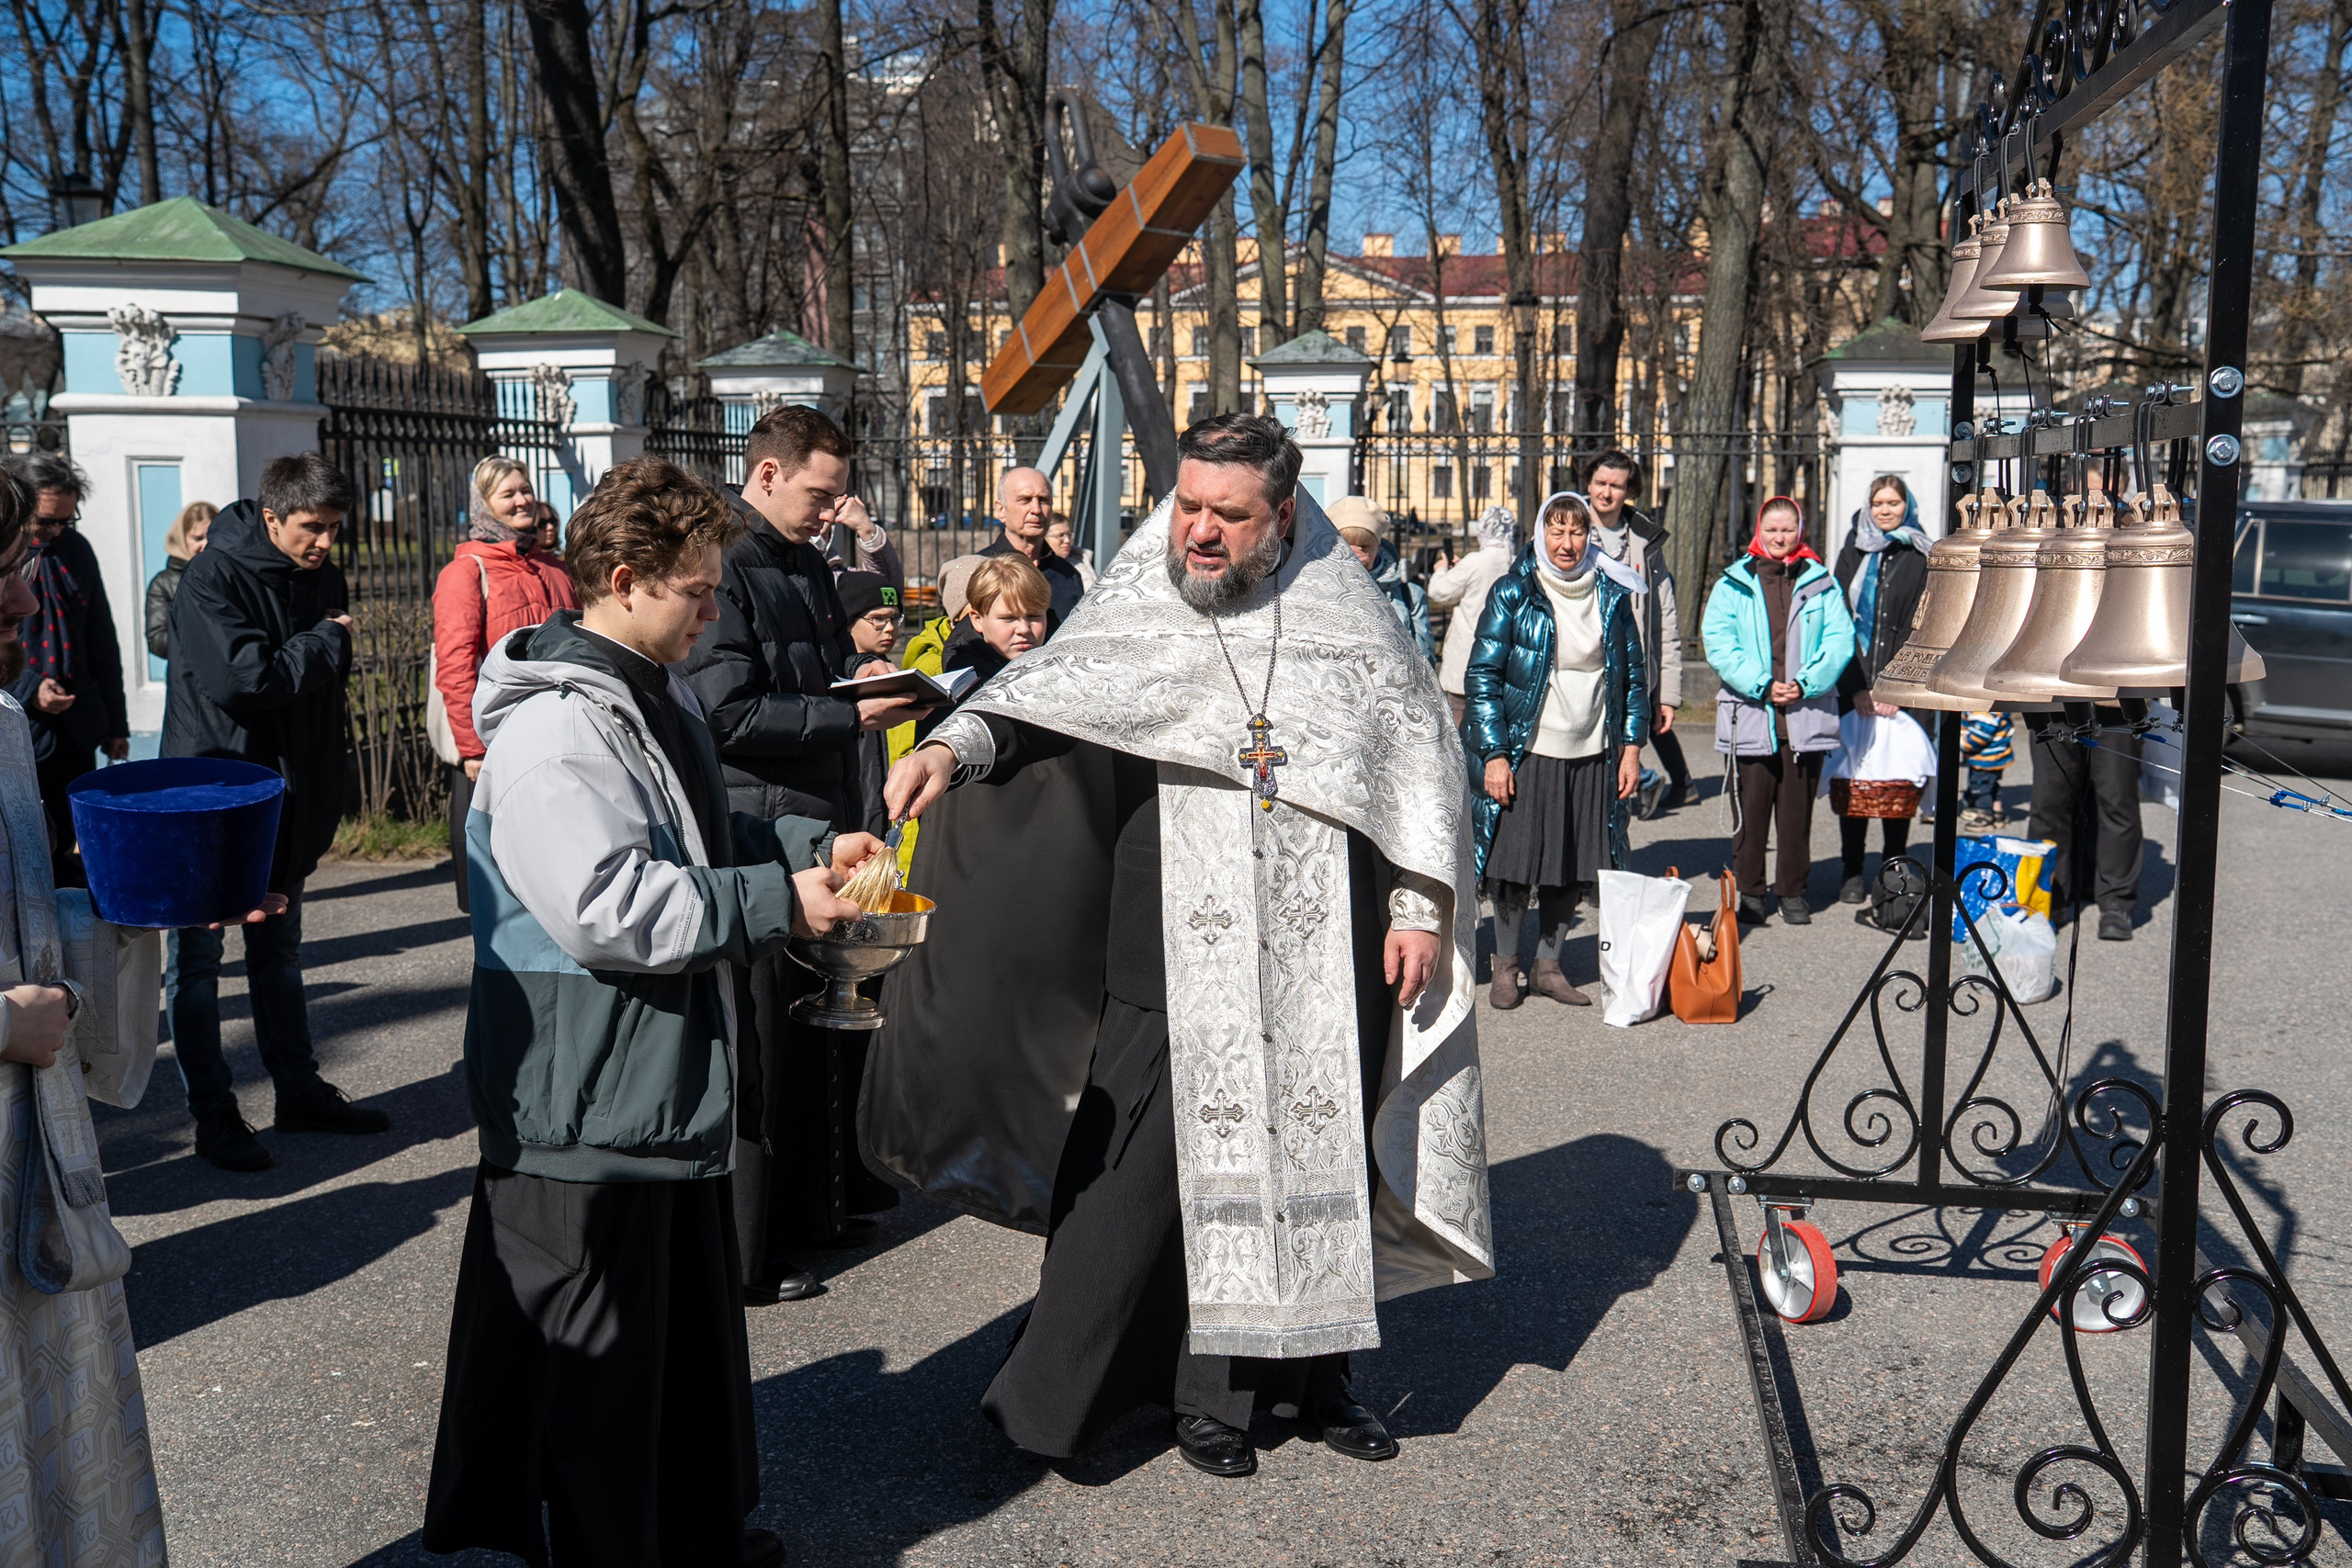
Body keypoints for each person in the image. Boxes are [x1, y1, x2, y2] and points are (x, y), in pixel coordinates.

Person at [868, 413, 1492, 1479]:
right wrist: (955, 745)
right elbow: (1053, 693)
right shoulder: (1145, 594)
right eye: (1187, 506)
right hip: (1173, 929)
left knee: (1316, 1155)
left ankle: (1307, 1381)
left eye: (1227, 515)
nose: (1198, 531)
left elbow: (1413, 761)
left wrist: (1417, 909)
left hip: (1322, 931)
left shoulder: (1345, 610)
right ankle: (1156, 1394)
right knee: (1144, 1175)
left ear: (1282, 515)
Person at [423, 453, 878, 1568]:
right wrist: (778, 901)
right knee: (603, 1378)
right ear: (623, 581)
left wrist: (810, 846)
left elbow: (694, 835)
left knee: (679, 1350)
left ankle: (691, 1535)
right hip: (586, 1094)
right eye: (698, 591)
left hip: (654, 1081)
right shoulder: (556, 732)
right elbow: (608, 908)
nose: (713, 612)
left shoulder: (650, 689)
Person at [679, 403, 910, 1298]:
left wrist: (860, 683)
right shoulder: (727, 561)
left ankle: (819, 1210)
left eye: (837, 496)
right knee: (766, 1049)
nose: (829, 513)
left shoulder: (806, 559)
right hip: (761, 828)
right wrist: (849, 715)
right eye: (819, 494)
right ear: (767, 473)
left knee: (821, 1032)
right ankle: (750, 1249)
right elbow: (727, 714)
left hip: (818, 816)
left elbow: (806, 681)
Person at [0, 466, 173, 1568]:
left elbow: (26, 927)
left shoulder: (3, 724)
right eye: (5, 570)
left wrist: (133, 909)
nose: (27, 600)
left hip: (33, 1171)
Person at [164, 452, 392, 1169]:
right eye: (311, 527)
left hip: (290, 793)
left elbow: (319, 682)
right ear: (270, 517)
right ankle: (214, 1115)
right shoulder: (212, 576)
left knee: (279, 949)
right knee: (197, 961)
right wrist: (325, 639)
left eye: (334, 528)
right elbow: (246, 679)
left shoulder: (321, 574)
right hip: (216, 791)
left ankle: (297, 1091)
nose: (324, 541)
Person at [1463, 491, 1650, 1009]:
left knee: (1573, 860)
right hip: (1529, 747)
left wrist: (1631, 748)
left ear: (1591, 535)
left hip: (1592, 749)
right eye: (1557, 530)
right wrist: (1495, 754)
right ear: (1541, 534)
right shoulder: (1514, 591)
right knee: (1514, 863)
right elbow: (1483, 676)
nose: (1567, 543)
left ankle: (1549, 966)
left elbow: (1634, 677)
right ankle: (1506, 966)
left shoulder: (1611, 594)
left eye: (1577, 531)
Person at [432, 456, 581, 914]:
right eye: (508, 494)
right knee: (498, 894)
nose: (522, 501)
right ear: (483, 503)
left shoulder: (555, 569)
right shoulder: (465, 572)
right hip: (495, 743)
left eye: (525, 490)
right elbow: (455, 666)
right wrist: (472, 748)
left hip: (561, 738)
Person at [1703, 496, 1856, 927]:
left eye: (1788, 529)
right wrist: (1761, 684)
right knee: (1750, 813)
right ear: (1759, 530)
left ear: (1800, 531)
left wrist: (1806, 683)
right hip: (1752, 712)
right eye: (1771, 529)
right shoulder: (1734, 582)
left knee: (1796, 815)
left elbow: (1839, 640)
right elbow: (1719, 640)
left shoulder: (1821, 582)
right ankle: (1751, 892)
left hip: (1804, 715)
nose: (1779, 537)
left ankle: (1792, 891)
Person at [3, 453, 128, 886]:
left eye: (65, 521)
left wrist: (116, 723)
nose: (56, 531)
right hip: (24, 726)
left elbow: (101, 637)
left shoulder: (77, 550)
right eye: (46, 521)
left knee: (81, 852)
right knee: (34, 852)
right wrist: (31, 688)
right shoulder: (8, 558)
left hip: (78, 724)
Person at [1831, 475, 1933, 906]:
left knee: (1897, 783)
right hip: (1854, 686)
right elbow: (1837, 621)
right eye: (1878, 503)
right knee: (1854, 780)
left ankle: (1894, 868)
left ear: (1907, 506)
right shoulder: (1852, 551)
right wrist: (1856, 687)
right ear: (1868, 507)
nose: (1885, 510)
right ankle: (1852, 870)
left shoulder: (1922, 554)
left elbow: (1922, 627)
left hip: (1902, 692)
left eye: (1893, 503)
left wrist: (1893, 689)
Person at [1584, 450, 1688, 816]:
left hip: (1629, 680)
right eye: (1600, 483)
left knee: (1616, 789)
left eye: (1616, 486)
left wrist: (1666, 696)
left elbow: (1665, 623)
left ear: (1629, 491)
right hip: (1577, 677)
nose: (1606, 493)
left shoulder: (1646, 543)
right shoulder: (1567, 529)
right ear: (1588, 484)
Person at [2025, 712, 2143, 942]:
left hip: (2116, 706)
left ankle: (2116, 902)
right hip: (2052, 703)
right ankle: (2049, 897)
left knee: (2116, 800)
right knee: (2049, 801)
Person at [912, 553, 1049, 742]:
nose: (1024, 629)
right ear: (977, 619)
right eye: (1008, 618)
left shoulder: (1067, 666)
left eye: (1034, 616)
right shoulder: (952, 696)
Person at [1428, 504, 1518, 726]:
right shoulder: (1515, 563)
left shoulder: (1474, 562)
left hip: (1467, 653)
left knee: (1458, 718)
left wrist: (1441, 569)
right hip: (1503, 656)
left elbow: (1440, 591)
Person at [1330, 497, 1435, 662]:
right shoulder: (1317, 589)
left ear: (1378, 546)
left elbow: (1424, 659)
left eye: (1364, 546)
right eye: (1346, 545)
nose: (1355, 555)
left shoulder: (1410, 596)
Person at [981, 467, 1086, 626]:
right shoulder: (978, 570)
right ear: (1001, 510)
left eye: (1043, 500)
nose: (1036, 510)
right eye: (1025, 500)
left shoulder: (1069, 575)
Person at [146, 499, 217, 660]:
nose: (205, 544)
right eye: (198, 538)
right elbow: (157, 640)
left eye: (211, 536)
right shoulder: (163, 584)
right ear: (183, 540)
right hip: (189, 672)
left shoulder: (233, 575)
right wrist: (203, 636)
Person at [1960, 710, 2015, 829]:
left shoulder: (1984, 714)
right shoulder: (1996, 711)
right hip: (1996, 758)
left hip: (1984, 760)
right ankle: (1997, 813)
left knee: (1980, 789)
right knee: (1992, 786)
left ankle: (1984, 816)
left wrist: (1959, 742)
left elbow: (1976, 739)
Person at [1043, 511, 1098, 590]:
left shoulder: (1082, 559)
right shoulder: (1040, 569)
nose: (1067, 540)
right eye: (1061, 535)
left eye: (1069, 535)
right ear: (1044, 538)